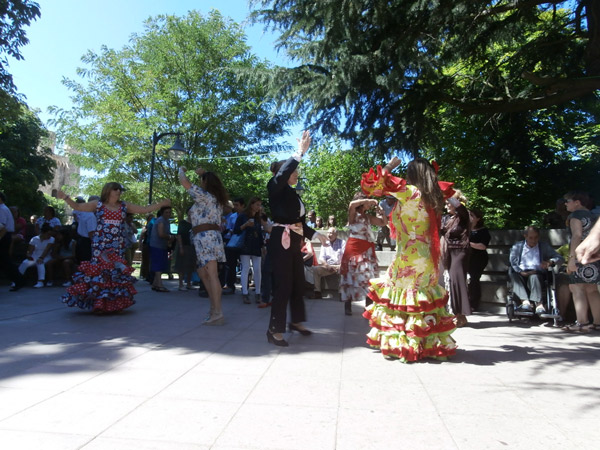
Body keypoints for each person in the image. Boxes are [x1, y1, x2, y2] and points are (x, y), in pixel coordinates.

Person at [361, 157, 457, 362]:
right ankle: (428, 345)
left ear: (412, 175)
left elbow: (374, 185)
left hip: (408, 258)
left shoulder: (410, 192)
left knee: (404, 299)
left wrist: (389, 167)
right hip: (427, 257)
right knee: (421, 300)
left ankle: (406, 346)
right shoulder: (434, 195)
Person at [58, 183, 170, 313]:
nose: (118, 192)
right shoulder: (98, 204)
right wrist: (65, 197)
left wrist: (161, 204)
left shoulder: (124, 206)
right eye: (115, 189)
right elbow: (78, 207)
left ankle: (113, 304)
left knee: (115, 273)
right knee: (101, 272)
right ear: (108, 191)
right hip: (101, 246)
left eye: (119, 190)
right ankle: (98, 304)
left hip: (117, 246)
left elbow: (145, 209)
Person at [266, 131, 328, 347]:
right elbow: (284, 174)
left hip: (294, 241)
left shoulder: (292, 195)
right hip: (280, 240)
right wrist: (299, 152)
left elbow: (300, 222)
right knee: (283, 286)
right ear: (282, 173)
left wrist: (316, 234)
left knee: (297, 284)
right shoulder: (274, 187)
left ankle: (297, 322)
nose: (296, 173)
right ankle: (274, 330)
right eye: (293, 170)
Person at [178, 166, 228, 325]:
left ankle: (218, 311)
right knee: (204, 274)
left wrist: (181, 170)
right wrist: (203, 174)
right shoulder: (213, 199)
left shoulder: (206, 197)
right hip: (203, 237)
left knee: (211, 275)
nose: (199, 183)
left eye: (201, 181)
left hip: (206, 237)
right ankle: (214, 309)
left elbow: (184, 182)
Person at [339, 194, 384, 315]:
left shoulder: (367, 217)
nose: (369, 203)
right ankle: (347, 305)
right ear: (361, 202)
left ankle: (368, 307)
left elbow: (383, 222)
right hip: (353, 249)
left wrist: (381, 212)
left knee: (369, 277)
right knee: (350, 276)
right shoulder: (353, 215)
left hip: (366, 250)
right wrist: (369, 200)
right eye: (367, 201)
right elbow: (351, 205)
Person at [562, 191, 600, 332]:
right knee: (592, 289)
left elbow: (577, 235)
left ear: (577, 202)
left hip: (580, 256)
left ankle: (582, 323)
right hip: (593, 256)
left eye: (568, 201)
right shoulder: (593, 215)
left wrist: (571, 259)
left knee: (576, 287)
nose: (565, 204)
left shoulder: (575, 215)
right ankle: (597, 322)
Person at [509, 226, 564, 314]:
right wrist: (521, 272)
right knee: (514, 275)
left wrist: (550, 262)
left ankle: (539, 305)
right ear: (525, 236)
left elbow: (559, 258)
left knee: (534, 276)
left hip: (537, 273)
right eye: (531, 238)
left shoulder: (544, 246)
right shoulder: (517, 246)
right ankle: (525, 302)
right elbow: (513, 262)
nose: (533, 240)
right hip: (521, 273)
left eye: (536, 237)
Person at [441, 190, 471, 327]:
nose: (446, 205)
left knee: (457, 280)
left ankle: (460, 315)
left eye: (449, 203)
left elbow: (460, 207)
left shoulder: (464, 216)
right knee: (451, 281)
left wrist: (447, 195)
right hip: (448, 253)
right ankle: (457, 314)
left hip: (460, 251)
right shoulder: (446, 218)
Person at [234, 196, 264, 304]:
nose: (259, 207)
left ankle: (258, 292)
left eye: (260, 205)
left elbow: (260, 233)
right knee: (245, 268)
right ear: (251, 204)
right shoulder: (242, 216)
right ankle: (245, 293)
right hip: (245, 244)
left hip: (256, 245)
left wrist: (262, 245)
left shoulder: (258, 217)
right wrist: (246, 225)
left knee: (257, 269)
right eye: (257, 205)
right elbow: (236, 230)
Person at [310, 227, 345, 300]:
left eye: (331, 233)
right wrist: (327, 266)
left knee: (344, 270)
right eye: (328, 233)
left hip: (339, 265)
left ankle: (342, 294)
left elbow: (345, 256)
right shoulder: (325, 243)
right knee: (315, 269)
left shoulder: (342, 242)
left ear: (336, 234)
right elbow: (321, 258)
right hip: (328, 266)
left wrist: (340, 265)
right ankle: (317, 293)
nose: (329, 235)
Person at [0, 192, 26, 291]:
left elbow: (3, 228)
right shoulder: (3, 208)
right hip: (4, 236)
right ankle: (19, 280)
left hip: (3, 237)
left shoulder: (2, 209)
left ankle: (19, 280)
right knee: (5, 262)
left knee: (5, 262)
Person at [18, 223, 55, 288]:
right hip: (34, 256)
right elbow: (30, 251)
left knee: (40, 263)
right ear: (43, 233)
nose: (49, 236)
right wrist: (29, 256)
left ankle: (40, 282)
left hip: (46, 257)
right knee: (25, 262)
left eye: (50, 234)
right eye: (48, 234)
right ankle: (16, 280)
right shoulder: (34, 239)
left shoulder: (52, 239)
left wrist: (41, 258)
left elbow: (47, 250)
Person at [468, 208, 491, 311]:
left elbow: (483, 246)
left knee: (474, 279)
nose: (470, 217)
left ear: (478, 218)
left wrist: (469, 244)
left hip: (478, 259)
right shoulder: (465, 229)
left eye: (472, 215)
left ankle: (473, 304)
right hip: (466, 259)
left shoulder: (483, 231)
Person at [223, 197, 245, 295]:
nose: (235, 207)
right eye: (234, 205)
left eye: (237, 205)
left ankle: (245, 287)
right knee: (231, 265)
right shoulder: (232, 217)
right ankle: (231, 286)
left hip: (243, 242)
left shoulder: (246, 216)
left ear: (242, 205)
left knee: (244, 265)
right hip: (232, 242)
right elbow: (228, 229)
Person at [149, 206, 174, 292]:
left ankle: (155, 284)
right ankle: (159, 285)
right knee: (158, 265)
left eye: (169, 212)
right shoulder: (161, 221)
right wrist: (170, 236)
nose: (168, 214)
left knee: (161, 264)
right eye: (166, 212)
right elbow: (161, 234)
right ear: (162, 213)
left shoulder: (167, 221)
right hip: (156, 245)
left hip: (162, 246)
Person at [73, 195, 100, 263]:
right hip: (86, 243)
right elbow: (91, 233)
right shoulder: (91, 216)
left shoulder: (84, 213)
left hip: (81, 242)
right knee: (87, 265)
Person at [175, 207, 196, 291]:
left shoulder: (196, 223)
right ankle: (180, 284)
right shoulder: (183, 223)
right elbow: (179, 235)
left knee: (191, 265)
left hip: (192, 246)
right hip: (184, 245)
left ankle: (189, 283)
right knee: (182, 265)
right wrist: (180, 247)